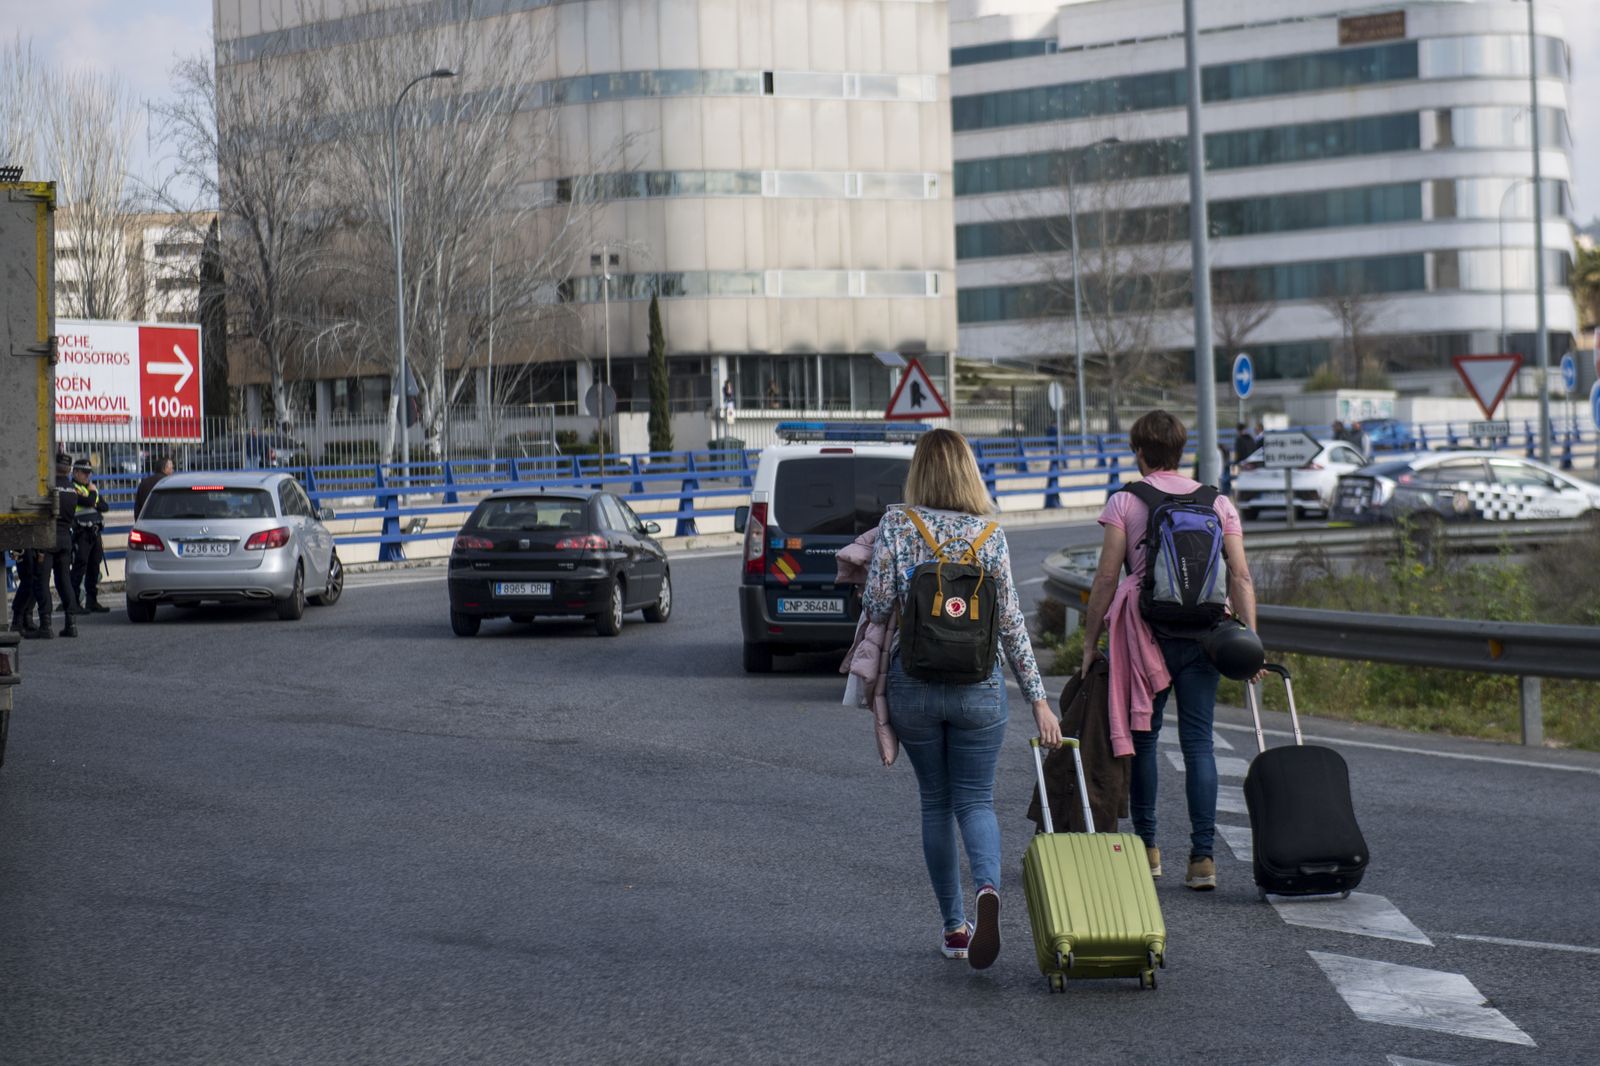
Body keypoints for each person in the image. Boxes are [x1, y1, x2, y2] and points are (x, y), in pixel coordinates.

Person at [862, 428, 1060, 971]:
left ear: (919, 472)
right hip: (979, 688)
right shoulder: (989, 535)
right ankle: (988, 890)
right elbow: (1012, 624)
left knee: (936, 802)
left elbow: (877, 605)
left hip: (915, 686)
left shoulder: (898, 524)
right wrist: (1039, 700)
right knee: (975, 800)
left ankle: (954, 927)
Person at [1078, 411, 1260, 892]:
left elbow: (1106, 577)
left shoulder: (1126, 500)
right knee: (1199, 743)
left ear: (1140, 452)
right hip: (1206, 633)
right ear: (1181, 451)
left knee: (1145, 740)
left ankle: (1148, 850)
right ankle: (1203, 859)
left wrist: (1090, 643)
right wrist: (1250, 644)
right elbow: (1240, 576)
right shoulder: (1218, 502)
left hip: (1145, 636)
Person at [26, 452, 81, 639]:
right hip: (65, 538)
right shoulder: (73, 489)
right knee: (64, 580)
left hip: (46, 538)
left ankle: (45, 625)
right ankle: (71, 624)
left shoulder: (47, 487)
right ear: (69, 469)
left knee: (42, 581)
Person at [69, 457, 110, 613]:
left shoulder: (90, 489)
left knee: (94, 566)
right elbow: (87, 502)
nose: (88, 476)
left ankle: (92, 601)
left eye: (89, 473)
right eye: (84, 473)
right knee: (80, 566)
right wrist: (92, 498)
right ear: (75, 472)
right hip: (81, 533)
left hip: (94, 533)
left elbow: (105, 506)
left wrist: (93, 500)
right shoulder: (73, 488)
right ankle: (74, 602)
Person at [134, 454, 174, 519]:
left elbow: (137, 507)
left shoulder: (144, 483)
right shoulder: (169, 482)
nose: (173, 470)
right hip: (165, 519)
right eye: (171, 468)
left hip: (146, 520)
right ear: (164, 468)